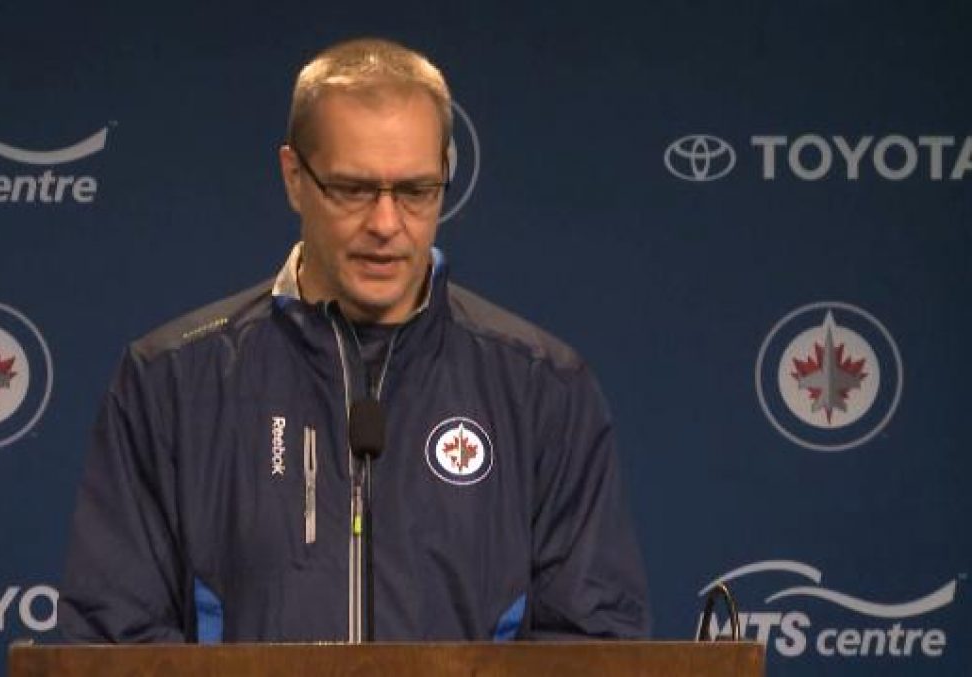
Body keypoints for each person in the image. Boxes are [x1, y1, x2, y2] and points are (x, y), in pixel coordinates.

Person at [58, 37, 650, 643]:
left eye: (415, 191)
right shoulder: (171, 383)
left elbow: (592, 643)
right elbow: (113, 641)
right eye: (352, 189)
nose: (386, 224)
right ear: (294, 177)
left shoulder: (543, 387)